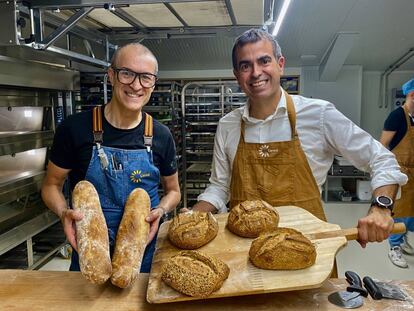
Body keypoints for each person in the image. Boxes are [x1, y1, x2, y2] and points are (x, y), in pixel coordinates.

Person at [191, 29, 407, 257]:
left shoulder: (319, 115)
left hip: (307, 250)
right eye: (246, 66)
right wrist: (194, 216)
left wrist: (381, 208)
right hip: (245, 254)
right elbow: (219, 186)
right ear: (237, 75)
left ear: (280, 64)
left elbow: (381, 158)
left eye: (264, 61)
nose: (256, 73)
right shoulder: (228, 125)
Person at [41, 43, 181, 273]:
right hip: (89, 249)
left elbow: (174, 191)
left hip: (143, 251)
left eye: (145, 77)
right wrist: (63, 212)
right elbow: (51, 186)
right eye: (127, 73)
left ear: (153, 84)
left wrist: (162, 210)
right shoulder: (74, 128)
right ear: (111, 76)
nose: (136, 85)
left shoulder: (161, 135)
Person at [380, 78, 414, 268]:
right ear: (412, 95)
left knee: (412, 213)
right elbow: (383, 145)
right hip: (400, 171)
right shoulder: (397, 116)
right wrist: (385, 172)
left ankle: (403, 238)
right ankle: (394, 247)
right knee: (399, 211)